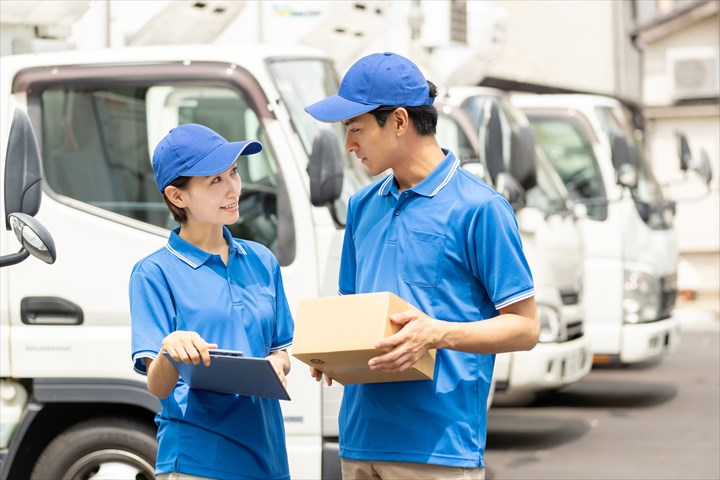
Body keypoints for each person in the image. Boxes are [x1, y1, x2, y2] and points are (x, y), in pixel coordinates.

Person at [304, 52, 539, 480]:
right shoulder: (361, 206)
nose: (348, 145)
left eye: (355, 129)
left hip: (439, 449)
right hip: (359, 440)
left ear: (397, 121)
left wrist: (439, 332)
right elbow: (353, 310)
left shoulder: (481, 209)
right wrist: (331, 353)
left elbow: (526, 328)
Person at [129, 124, 293, 480]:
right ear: (177, 196)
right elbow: (158, 387)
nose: (233, 188)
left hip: (268, 456)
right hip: (197, 460)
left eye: (233, 173)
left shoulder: (262, 261)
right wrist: (170, 350)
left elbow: (281, 351)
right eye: (214, 180)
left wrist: (278, 366)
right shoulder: (154, 273)